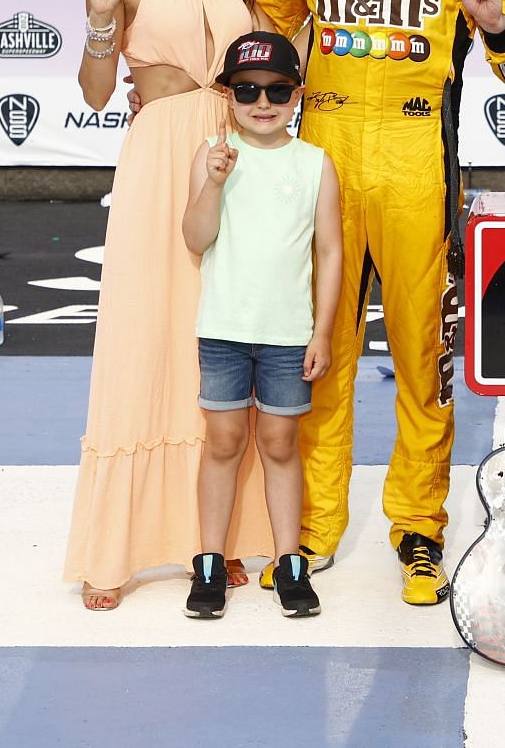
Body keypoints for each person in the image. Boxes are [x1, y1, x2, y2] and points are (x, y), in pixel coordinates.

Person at [256, 0, 505, 605]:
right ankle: (313, 525)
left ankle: (420, 527)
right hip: (326, 154)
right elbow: (268, 25)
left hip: (420, 159)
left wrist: (493, 22)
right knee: (322, 352)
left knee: (422, 354)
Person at [63, 0, 275, 609]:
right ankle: (113, 552)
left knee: (219, 339)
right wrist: (97, 19)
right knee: (147, 333)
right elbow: (93, 90)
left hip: (236, 160)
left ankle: (211, 539)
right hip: (161, 163)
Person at [180, 32, 342, 619]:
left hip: (288, 334)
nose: (262, 102)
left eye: (277, 89)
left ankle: (289, 563)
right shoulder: (213, 153)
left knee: (280, 443)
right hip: (223, 328)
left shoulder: (315, 163)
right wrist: (215, 181)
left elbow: (332, 254)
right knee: (223, 442)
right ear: (228, 95)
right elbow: (195, 238)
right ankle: (210, 564)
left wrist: (322, 331)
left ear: (297, 93)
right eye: (247, 89)